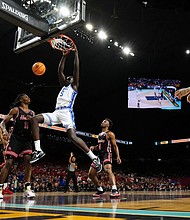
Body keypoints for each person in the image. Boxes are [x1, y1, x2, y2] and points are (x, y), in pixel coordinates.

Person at [30, 45, 102, 173]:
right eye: (67, 78)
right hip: (57, 112)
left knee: (72, 137)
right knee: (35, 119)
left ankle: (94, 158)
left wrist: (76, 54)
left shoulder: (74, 86)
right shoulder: (64, 86)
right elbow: (60, 71)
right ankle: (38, 150)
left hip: (67, 112)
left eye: (71, 77)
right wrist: (64, 56)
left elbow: (76, 69)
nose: (69, 78)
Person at [0, 93, 35, 199]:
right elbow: (2, 122)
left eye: (29, 97)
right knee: (9, 163)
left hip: (27, 139)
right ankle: (0, 188)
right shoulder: (16, 110)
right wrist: (5, 130)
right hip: (16, 138)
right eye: (26, 97)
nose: (28, 98)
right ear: (21, 100)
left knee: (28, 160)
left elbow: (35, 128)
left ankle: (27, 189)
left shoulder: (32, 113)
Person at [88, 118, 122, 198]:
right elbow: (99, 147)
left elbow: (114, 145)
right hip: (99, 155)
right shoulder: (99, 135)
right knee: (91, 174)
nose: (103, 122)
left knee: (108, 170)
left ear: (108, 125)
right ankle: (100, 189)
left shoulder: (110, 134)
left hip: (107, 154)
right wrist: (94, 147)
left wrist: (118, 156)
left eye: (105, 121)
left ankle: (114, 189)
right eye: (103, 121)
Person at [0, 127, 14, 195]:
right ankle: (3, 188)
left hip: (5, 160)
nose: (5, 136)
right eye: (4, 135)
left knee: (6, 174)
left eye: (6, 135)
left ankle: (5, 188)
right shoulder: (3, 141)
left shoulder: (9, 141)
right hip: (2, 159)